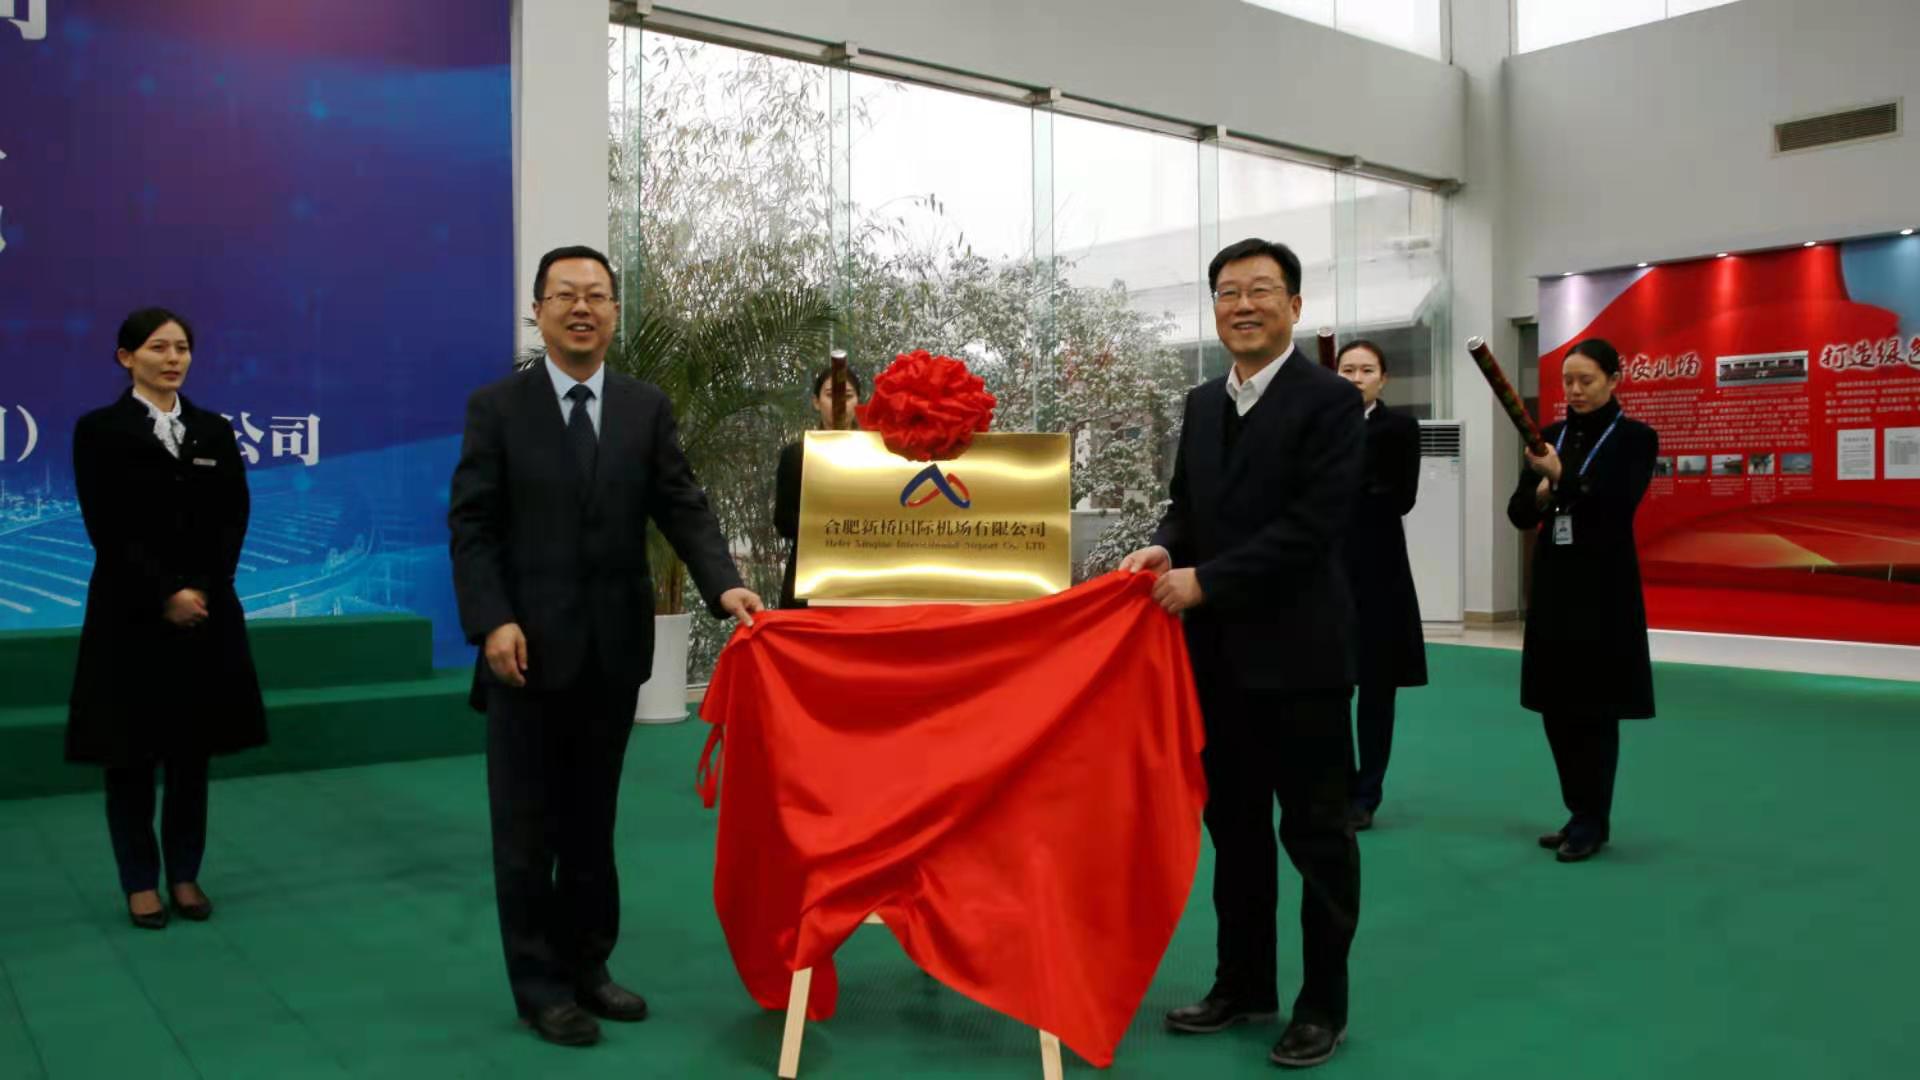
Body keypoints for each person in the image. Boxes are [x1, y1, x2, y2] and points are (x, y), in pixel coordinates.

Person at [448, 244, 765, 1047]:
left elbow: (681, 503)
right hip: (523, 656)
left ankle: (589, 966)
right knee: (526, 834)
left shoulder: (643, 407)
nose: (581, 308)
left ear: (616, 313)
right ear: (538, 311)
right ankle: (540, 988)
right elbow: (473, 525)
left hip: (611, 655)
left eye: (596, 295)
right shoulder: (497, 408)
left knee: (591, 826)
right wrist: (492, 620)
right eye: (565, 295)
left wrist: (724, 584)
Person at [1120, 238, 1366, 1069]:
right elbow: (1186, 506)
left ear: (1295, 306)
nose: (1244, 305)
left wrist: (1207, 580)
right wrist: (1166, 547)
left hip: (1303, 663)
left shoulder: (1330, 402)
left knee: (1317, 839)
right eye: (1228, 292)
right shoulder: (1201, 402)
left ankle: (1322, 1006)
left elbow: (1314, 526)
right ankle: (1244, 983)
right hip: (1216, 664)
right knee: (1236, 832)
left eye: (1262, 290)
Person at [67, 308, 267, 930]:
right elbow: (108, 526)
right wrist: (165, 593)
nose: (173, 358)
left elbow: (233, 516)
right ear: (127, 357)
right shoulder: (99, 430)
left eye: (182, 347)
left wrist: (201, 589)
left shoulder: (212, 430)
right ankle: (138, 882)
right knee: (129, 756)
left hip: (205, 615)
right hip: (130, 617)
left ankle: (184, 874)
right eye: (158, 347)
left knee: (190, 754)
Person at [1505, 337, 1658, 863]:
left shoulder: (1636, 439)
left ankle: (1594, 818)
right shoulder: (1548, 438)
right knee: (1556, 705)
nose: (1574, 390)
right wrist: (1543, 489)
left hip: (1604, 589)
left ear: (1614, 379)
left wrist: (1559, 478)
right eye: (1567, 380)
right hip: (1554, 586)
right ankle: (1577, 811)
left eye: (1586, 380)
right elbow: (1520, 513)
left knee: (1596, 709)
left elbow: (1613, 504)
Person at [1333, 341, 1428, 831]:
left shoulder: (1400, 429)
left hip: (1380, 575)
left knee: (1376, 691)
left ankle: (1367, 794)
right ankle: (1338, 786)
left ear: (1383, 379)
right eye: (1347, 369)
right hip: (1326, 574)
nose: (1356, 377)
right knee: (1329, 691)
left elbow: (1400, 496)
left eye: (1366, 370)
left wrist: (1347, 485)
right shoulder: (1318, 427)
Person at [773, 364, 864, 608]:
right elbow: (783, 521)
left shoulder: (879, 456)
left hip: (866, 576)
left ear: (858, 401)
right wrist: (830, 525)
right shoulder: (796, 455)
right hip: (809, 576)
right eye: (830, 395)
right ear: (816, 402)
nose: (839, 403)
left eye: (847, 396)